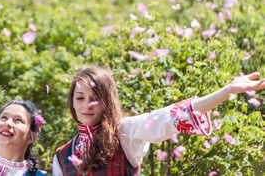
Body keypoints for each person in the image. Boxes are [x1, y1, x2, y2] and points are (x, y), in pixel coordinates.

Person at [52, 67, 265, 176]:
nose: (86, 105)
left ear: (107, 100)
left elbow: (168, 117)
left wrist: (226, 91)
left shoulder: (125, 132)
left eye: (95, 98)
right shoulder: (62, 155)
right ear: (72, 102)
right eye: (80, 98)